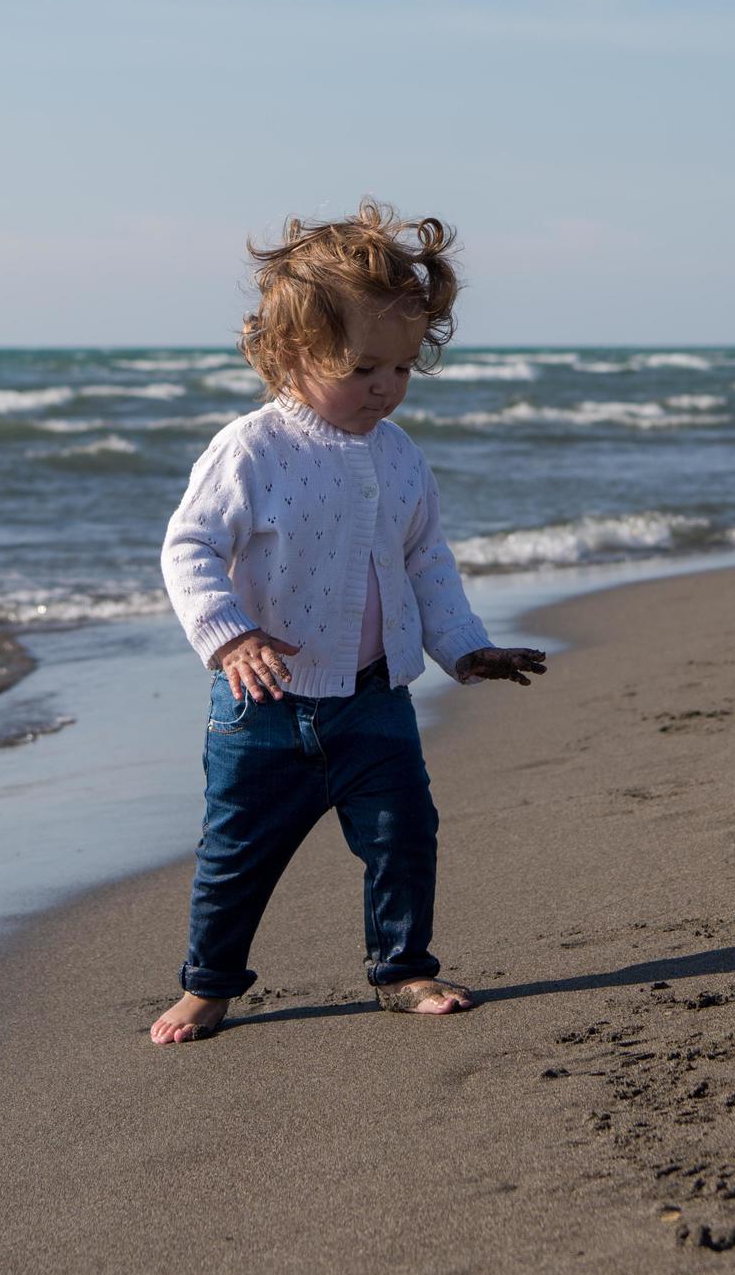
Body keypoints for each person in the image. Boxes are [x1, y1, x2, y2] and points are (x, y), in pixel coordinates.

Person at [151, 203, 548, 1045]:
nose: (385, 387)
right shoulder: (250, 450)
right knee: (236, 859)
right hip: (263, 708)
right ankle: (209, 985)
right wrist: (230, 636)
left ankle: (401, 969)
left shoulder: (399, 455)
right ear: (294, 354)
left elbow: (425, 563)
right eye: (364, 366)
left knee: (404, 835)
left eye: (402, 368)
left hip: (374, 703)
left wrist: (463, 648)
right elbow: (187, 548)